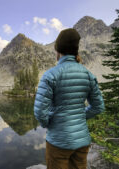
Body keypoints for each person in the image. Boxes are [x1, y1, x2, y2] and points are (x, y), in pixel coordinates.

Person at [34, 28, 105, 169]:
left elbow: (40, 113)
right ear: (75, 50)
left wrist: (49, 122)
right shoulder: (88, 75)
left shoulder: (50, 75)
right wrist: (78, 116)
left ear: (58, 51)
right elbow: (98, 107)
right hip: (82, 142)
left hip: (58, 142)